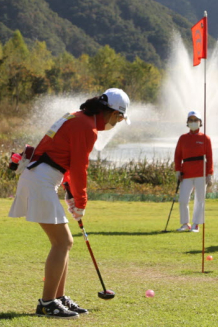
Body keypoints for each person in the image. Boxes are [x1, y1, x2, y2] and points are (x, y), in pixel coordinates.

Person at [9, 88, 129, 319]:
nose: (119, 122)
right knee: (62, 242)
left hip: (42, 177)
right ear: (112, 113)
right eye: (120, 117)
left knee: (64, 242)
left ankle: (58, 298)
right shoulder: (87, 127)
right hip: (40, 181)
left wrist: (69, 192)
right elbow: (78, 166)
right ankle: (47, 303)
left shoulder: (77, 118)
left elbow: (60, 156)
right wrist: (81, 200)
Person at [174, 110, 213, 233]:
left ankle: (196, 224)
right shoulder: (183, 138)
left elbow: (210, 157)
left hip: (201, 173)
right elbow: (178, 156)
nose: (193, 122)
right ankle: (186, 223)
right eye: (191, 120)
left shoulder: (205, 138)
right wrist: (177, 170)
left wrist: (210, 173)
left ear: (200, 122)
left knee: (200, 199)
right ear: (187, 123)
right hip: (186, 173)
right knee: (183, 199)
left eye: (195, 120)